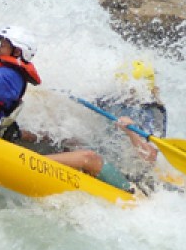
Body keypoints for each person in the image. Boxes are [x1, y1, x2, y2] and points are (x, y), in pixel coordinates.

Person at [19, 60, 167, 192]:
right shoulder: (115, 99)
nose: (125, 93)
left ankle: (23, 165)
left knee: (88, 157)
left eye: (130, 90)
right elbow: (86, 104)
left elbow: (151, 157)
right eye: (123, 87)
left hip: (130, 179)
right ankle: (15, 134)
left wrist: (131, 133)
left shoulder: (152, 112)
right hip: (108, 158)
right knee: (63, 136)